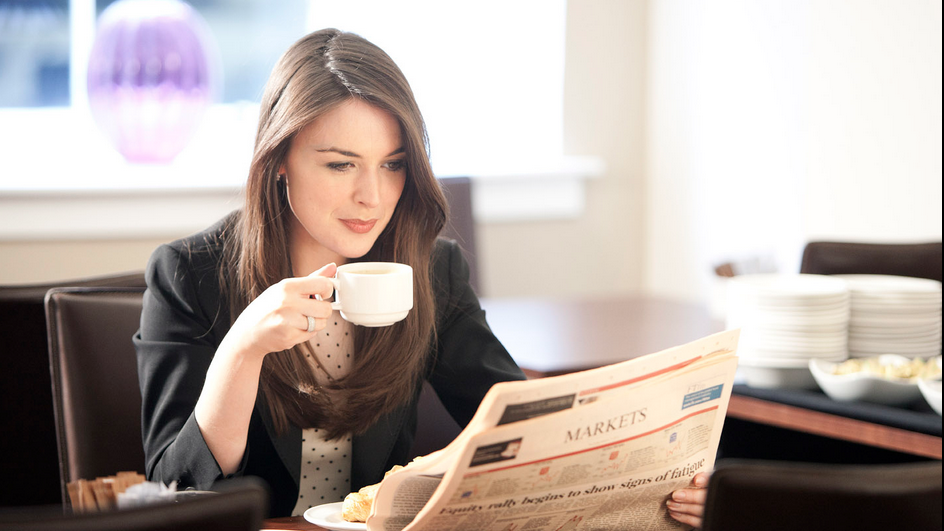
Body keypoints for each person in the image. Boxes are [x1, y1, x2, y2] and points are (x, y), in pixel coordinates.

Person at [133, 28, 710, 526]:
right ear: (279, 158)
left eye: (393, 165)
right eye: (341, 164)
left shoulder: (432, 271)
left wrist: (663, 479)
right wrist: (242, 351)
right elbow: (176, 490)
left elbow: (523, 426)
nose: (372, 196)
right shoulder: (189, 276)